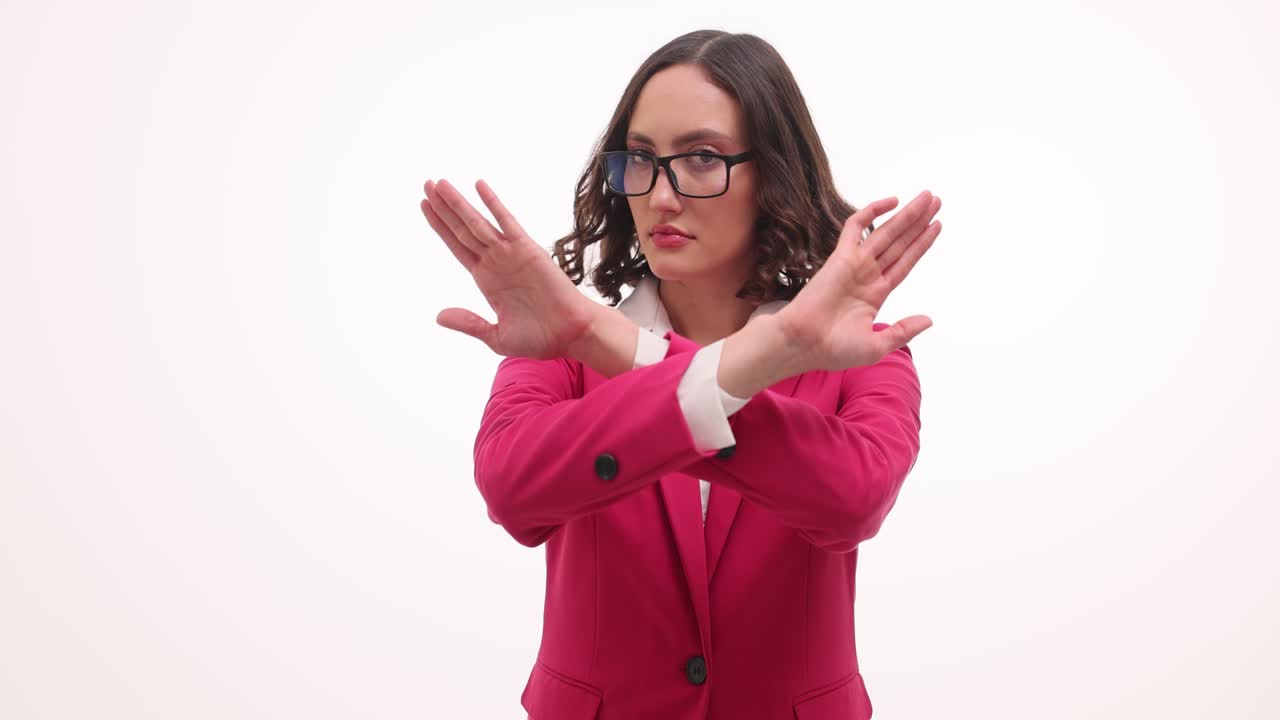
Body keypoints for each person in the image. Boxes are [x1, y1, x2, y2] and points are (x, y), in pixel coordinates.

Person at [420, 29, 940, 720]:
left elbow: (852, 502)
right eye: (639, 159)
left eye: (700, 158)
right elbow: (513, 491)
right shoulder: (557, 339)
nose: (661, 196)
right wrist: (748, 356)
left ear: (774, 175)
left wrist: (630, 351)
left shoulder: (864, 353)